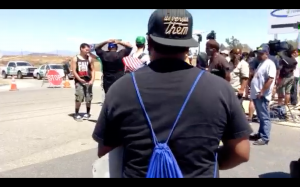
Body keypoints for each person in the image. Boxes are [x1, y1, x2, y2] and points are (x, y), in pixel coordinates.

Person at [93, 9, 251, 178]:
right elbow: (241, 152)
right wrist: (207, 163)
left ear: (149, 42)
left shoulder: (121, 88)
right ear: (188, 45)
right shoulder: (220, 88)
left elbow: (105, 150)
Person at [249, 45, 276, 145]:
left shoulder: (270, 64)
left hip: (262, 96)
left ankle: (265, 138)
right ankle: (260, 134)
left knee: (264, 117)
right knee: (260, 117)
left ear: (266, 53)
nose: (258, 55)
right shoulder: (261, 63)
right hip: (257, 95)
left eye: (261, 53)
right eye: (258, 53)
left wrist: (262, 91)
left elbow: (270, 79)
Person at [71, 43, 95, 121]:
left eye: (88, 50)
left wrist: (92, 80)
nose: (87, 51)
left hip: (88, 81)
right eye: (86, 49)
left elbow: (93, 70)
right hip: (79, 81)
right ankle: (76, 113)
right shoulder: (75, 58)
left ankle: (87, 113)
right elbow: (74, 70)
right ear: (81, 48)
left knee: (88, 98)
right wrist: (79, 79)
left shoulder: (90, 58)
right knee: (79, 97)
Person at [276, 51, 298, 119]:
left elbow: (279, 69)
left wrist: (277, 77)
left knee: (280, 92)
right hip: (291, 76)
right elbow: (293, 69)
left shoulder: (283, 59)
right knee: (287, 92)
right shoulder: (293, 60)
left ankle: (280, 106)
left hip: (284, 77)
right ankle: (285, 105)